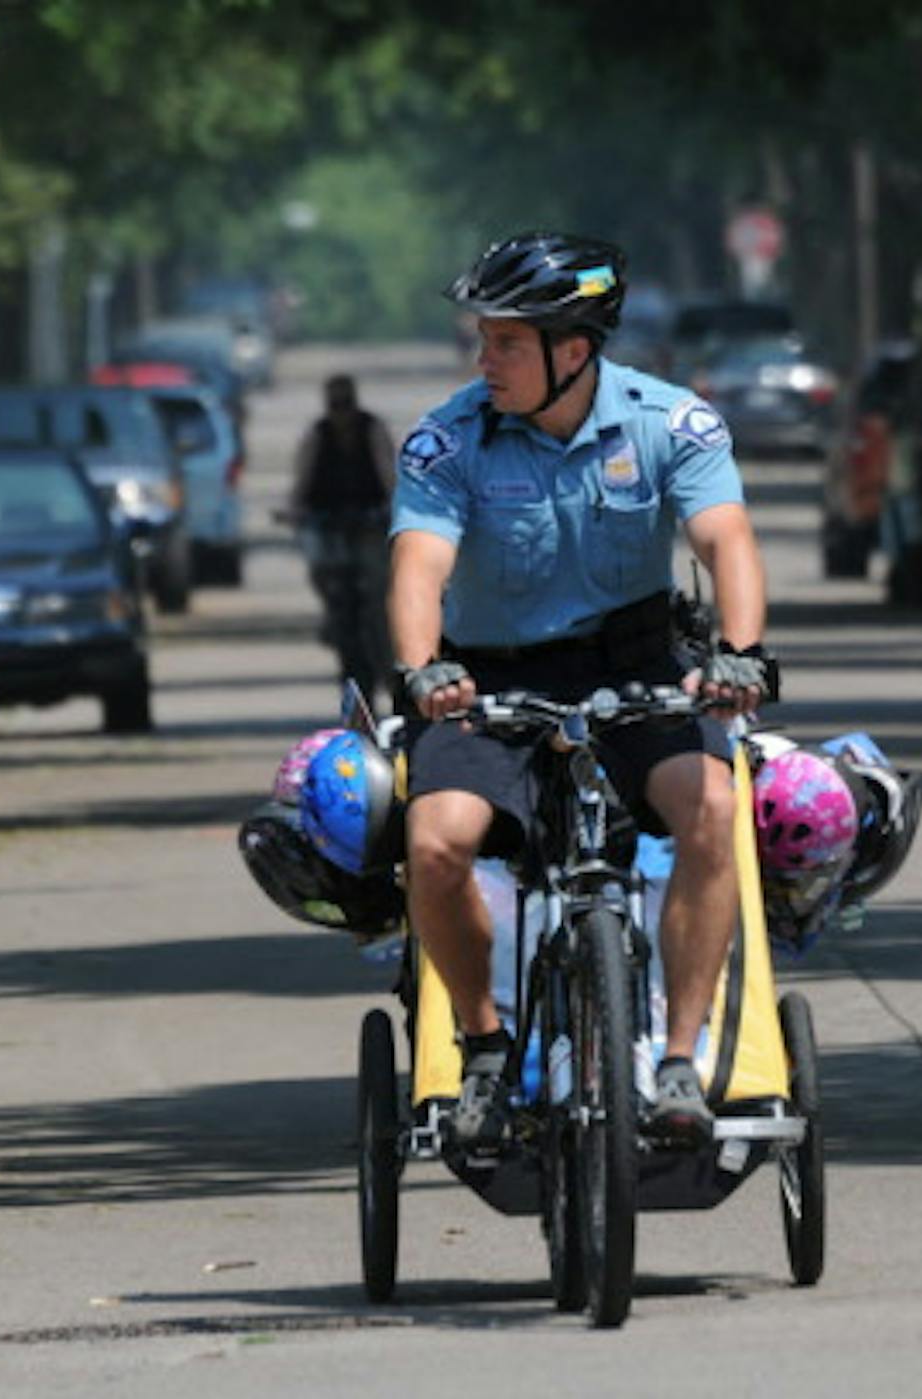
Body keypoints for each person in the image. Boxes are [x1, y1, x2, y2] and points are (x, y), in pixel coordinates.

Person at [387, 231, 775, 1151]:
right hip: (487, 674)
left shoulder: (670, 422)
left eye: (506, 343)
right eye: (483, 340)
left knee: (713, 810)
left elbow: (725, 538)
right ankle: (485, 1045)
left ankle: (677, 1063)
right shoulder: (448, 438)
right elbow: (418, 564)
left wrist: (740, 654)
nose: (485, 361)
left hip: (638, 663)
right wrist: (423, 669)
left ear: (573, 350)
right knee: (435, 843)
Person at [281, 374, 399, 703]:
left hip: (370, 526)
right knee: (324, 574)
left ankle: (386, 648)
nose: (341, 414)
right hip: (330, 528)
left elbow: (389, 476)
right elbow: (302, 481)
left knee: (379, 592)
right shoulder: (317, 435)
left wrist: (395, 510)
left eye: (345, 404)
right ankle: (334, 619)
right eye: (335, 405)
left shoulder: (373, 429)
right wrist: (295, 512)